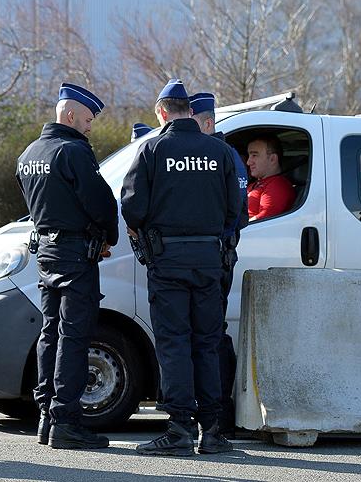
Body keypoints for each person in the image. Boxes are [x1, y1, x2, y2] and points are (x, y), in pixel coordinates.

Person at [122, 79, 240, 456]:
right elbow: (236, 209)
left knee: (174, 344)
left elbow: (132, 207)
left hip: (168, 260)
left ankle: (178, 430)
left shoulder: (152, 149)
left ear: (161, 112)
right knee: (207, 343)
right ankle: (213, 431)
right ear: (189, 111)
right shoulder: (219, 152)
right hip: (209, 260)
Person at [16, 82, 118, 450]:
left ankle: (45, 417)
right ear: (71, 115)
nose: (90, 127)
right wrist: (108, 234)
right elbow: (101, 202)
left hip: (46, 252)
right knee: (73, 337)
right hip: (76, 254)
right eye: (88, 119)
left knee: (50, 333)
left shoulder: (29, 153)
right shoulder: (73, 151)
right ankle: (65, 421)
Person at [190, 92, 248, 436]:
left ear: (208, 123)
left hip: (219, 256)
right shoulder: (208, 153)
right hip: (212, 255)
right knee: (207, 334)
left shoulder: (225, 155)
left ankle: (221, 415)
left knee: (212, 336)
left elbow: (236, 213)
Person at [246, 135, 295, 220]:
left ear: (272, 159)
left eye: (254, 155)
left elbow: (263, 221)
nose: (248, 162)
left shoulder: (278, 185)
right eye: (249, 156)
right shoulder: (256, 184)